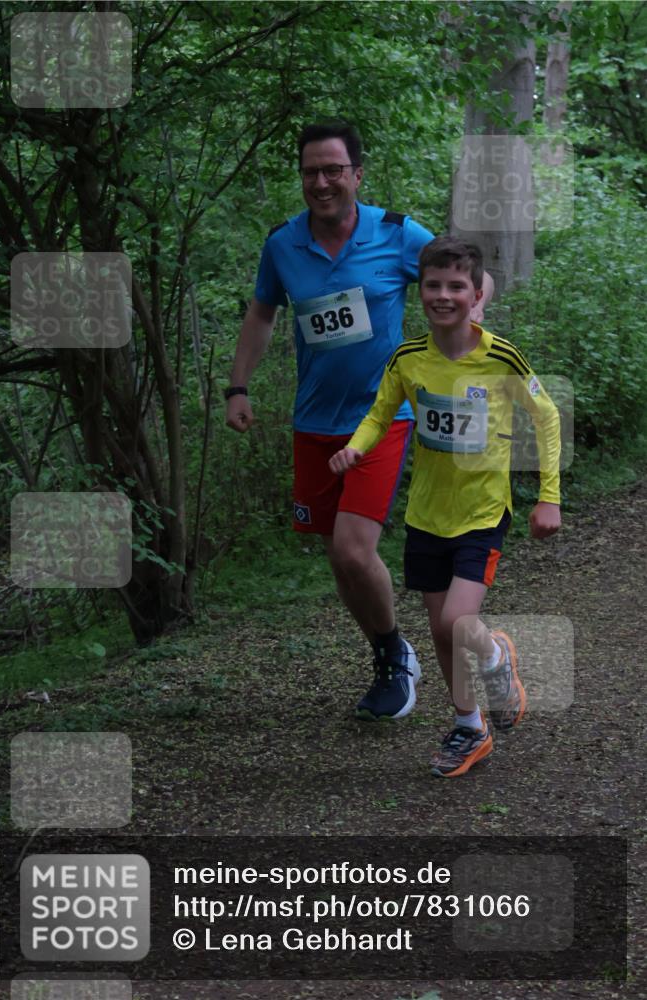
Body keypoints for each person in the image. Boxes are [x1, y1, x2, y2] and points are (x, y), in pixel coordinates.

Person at [225, 121, 492, 722]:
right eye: (311, 172)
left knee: (352, 549)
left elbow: (472, 278)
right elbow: (261, 315)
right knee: (337, 557)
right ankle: (388, 650)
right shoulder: (283, 245)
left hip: (383, 414)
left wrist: (458, 347)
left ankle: (396, 661)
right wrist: (237, 386)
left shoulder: (396, 234)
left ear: (357, 175)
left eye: (333, 171)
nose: (321, 182)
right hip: (313, 421)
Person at [329, 235, 561, 776]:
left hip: (482, 514)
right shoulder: (409, 359)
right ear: (421, 293)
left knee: (459, 621)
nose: (443, 294)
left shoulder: (500, 357)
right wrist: (357, 447)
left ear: (477, 294)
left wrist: (548, 495)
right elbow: (379, 413)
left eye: (456, 286)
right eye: (433, 284)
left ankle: (497, 654)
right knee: (440, 630)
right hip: (426, 516)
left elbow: (546, 416)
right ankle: (470, 727)